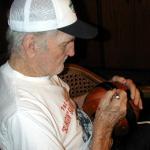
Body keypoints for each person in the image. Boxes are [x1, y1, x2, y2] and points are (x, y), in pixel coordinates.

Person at [0, 0, 142, 150]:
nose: (72, 52)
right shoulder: (24, 118)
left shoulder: (38, 71)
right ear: (31, 46)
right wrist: (104, 128)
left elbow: (64, 108)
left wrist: (106, 91)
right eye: (65, 44)